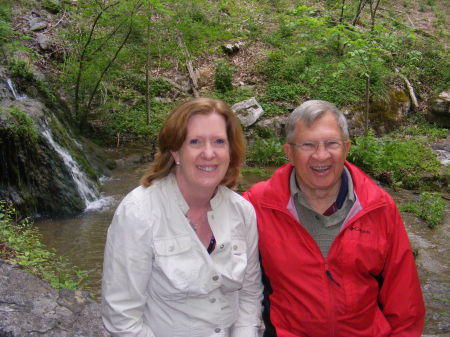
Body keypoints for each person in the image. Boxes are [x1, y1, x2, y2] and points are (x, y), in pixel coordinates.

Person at [243, 100, 425, 337]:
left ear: (346, 148)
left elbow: (404, 301)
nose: (321, 156)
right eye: (308, 145)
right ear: (289, 152)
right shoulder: (258, 205)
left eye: (331, 144)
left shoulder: (378, 207)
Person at [102, 97, 263, 337]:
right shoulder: (138, 212)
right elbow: (122, 318)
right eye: (195, 142)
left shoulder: (242, 212)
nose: (209, 153)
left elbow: (249, 295)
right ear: (176, 151)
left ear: (230, 150)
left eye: (219, 141)